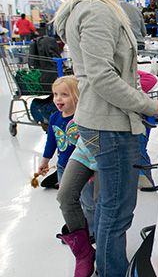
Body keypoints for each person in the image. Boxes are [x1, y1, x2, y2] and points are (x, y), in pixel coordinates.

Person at [53, 0, 158, 276]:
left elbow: (99, 72)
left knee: (106, 208)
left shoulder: (88, 8)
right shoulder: (98, 12)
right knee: (116, 212)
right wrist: (150, 106)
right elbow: (102, 78)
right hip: (111, 125)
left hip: (95, 120)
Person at [34, 76, 97, 277]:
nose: (58, 99)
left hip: (83, 166)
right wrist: (44, 161)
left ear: (77, 97)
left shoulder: (82, 117)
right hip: (63, 167)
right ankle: (80, 236)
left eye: (64, 94)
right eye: (55, 94)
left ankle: (92, 231)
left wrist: (93, 169)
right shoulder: (54, 118)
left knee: (88, 202)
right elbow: (51, 142)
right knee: (68, 201)